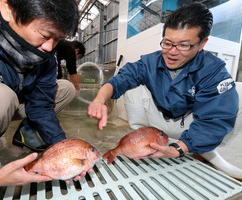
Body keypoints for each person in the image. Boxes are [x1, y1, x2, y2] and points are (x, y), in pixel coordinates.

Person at [0, 0, 90, 191]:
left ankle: (27, 134)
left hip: (14, 101)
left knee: (65, 88)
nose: (49, 47)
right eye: (46, 35)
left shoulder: (47, 53)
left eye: (57, 40)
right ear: (8, 8)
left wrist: (62, 147)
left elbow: (41, 105)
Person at [87, 2, 242, 180]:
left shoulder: (213, 71)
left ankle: (202, 149)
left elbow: (216, 119)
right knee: (132, 83)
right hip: (157, 122)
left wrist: (178, 149)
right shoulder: (150, 62)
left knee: (236, 93)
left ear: (202, 44)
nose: (172, 52)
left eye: (184, 45)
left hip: (190, 123)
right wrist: (99, 100)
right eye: (167, 43)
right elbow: (121, 78)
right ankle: (144, 141)